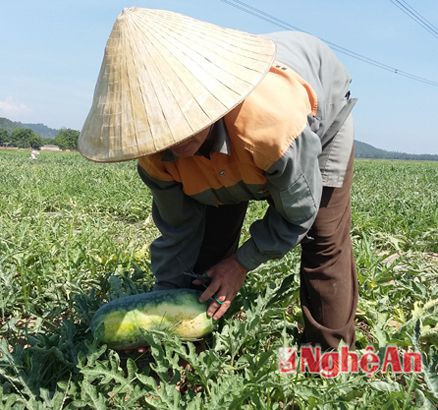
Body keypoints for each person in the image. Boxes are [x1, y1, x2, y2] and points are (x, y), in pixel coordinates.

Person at [79, 8, 358, 351]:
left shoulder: (274, 127)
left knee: (322, 239)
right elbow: (179, 231)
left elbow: (298, 214)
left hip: (319, 116)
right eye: (162, 133)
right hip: (248, 148)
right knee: (209, 249)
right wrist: (159, 312)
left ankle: (330, 356)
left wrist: (242, 263)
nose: (176, 142)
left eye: (184, 121)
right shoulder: (157, 160)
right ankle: (195, 342)